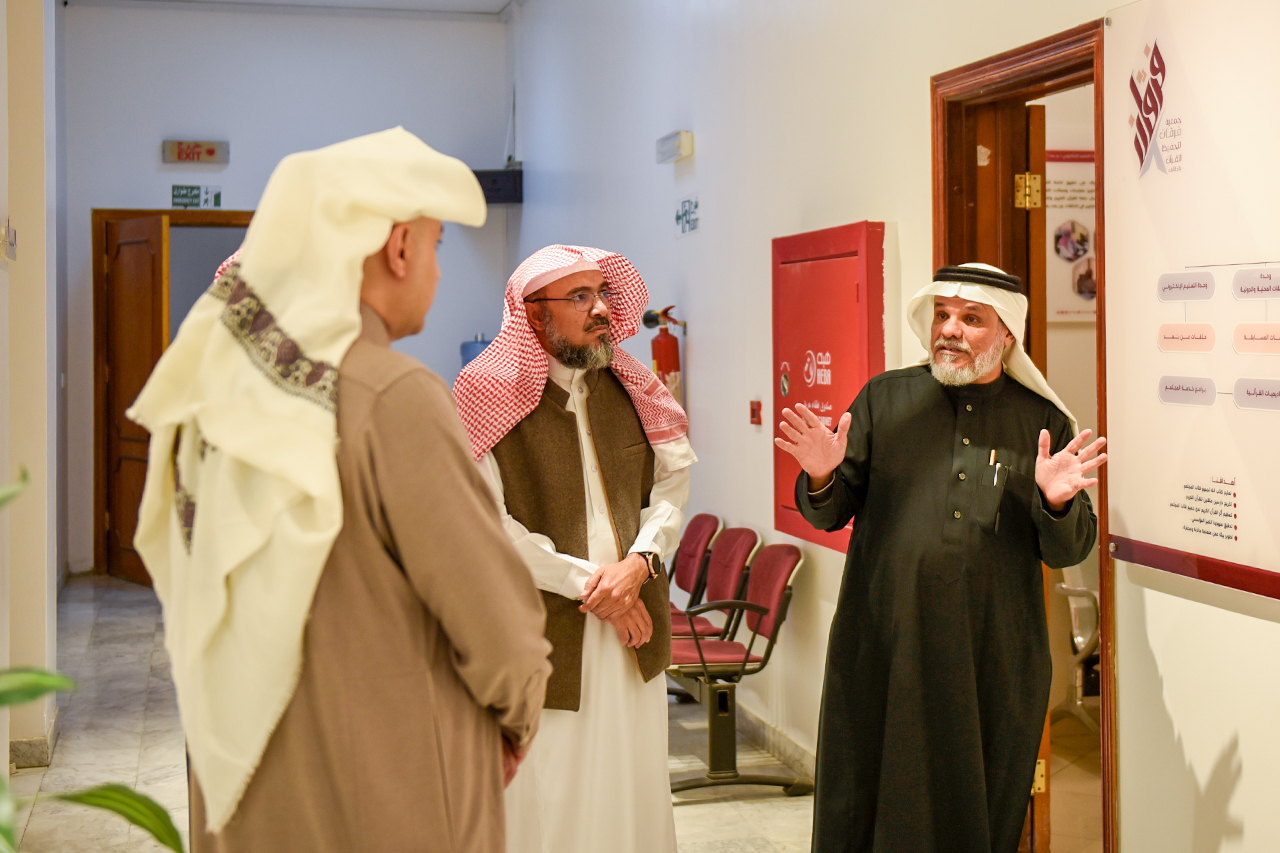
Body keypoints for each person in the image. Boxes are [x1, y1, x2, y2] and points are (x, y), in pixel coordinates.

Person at [128, 128, 552, 853]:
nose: (438, 271)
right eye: (437, 244)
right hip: (384, 794)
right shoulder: (392, 395)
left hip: (243, 789)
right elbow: (500, 630)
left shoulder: (207, 398)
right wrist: (514, 722)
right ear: (398, 248)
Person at [776, 263, 1106, 853]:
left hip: (990, 654)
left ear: (1007, 334)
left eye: (970, 318)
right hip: (884, 640)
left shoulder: (1044, 422)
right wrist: (822, 474)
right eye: (942, 315)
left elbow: (1071, 548)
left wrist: (1057, 502)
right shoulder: (885, 399)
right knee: (869, 793)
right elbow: (828, 511)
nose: (949, 329)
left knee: (974, 801)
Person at [453, 245, 696, 853]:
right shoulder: (487, 394)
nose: (601, 309)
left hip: (634, 625)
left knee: (634, 785)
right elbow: (485, 525)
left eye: (603, 293)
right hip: (544, 632)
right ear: (534, 314)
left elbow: (672, 484)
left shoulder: (631, 386)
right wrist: (595, 585)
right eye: (580, 297)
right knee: (552, 797)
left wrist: (639, 563)